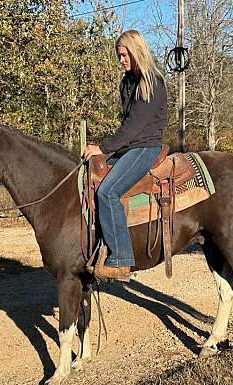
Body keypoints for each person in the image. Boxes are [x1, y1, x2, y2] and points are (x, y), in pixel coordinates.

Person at [84, 29, 167, 280]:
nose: (121, 60)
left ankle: (121, 259)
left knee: (108, 191)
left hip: (146, 147)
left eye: (123, 55)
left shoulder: (152, 81)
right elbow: (127, 125)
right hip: (131, 146)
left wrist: (104, 148)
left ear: (135, 50)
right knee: (89, 175)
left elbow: (133, 126)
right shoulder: (127, 82)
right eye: (119, 55)